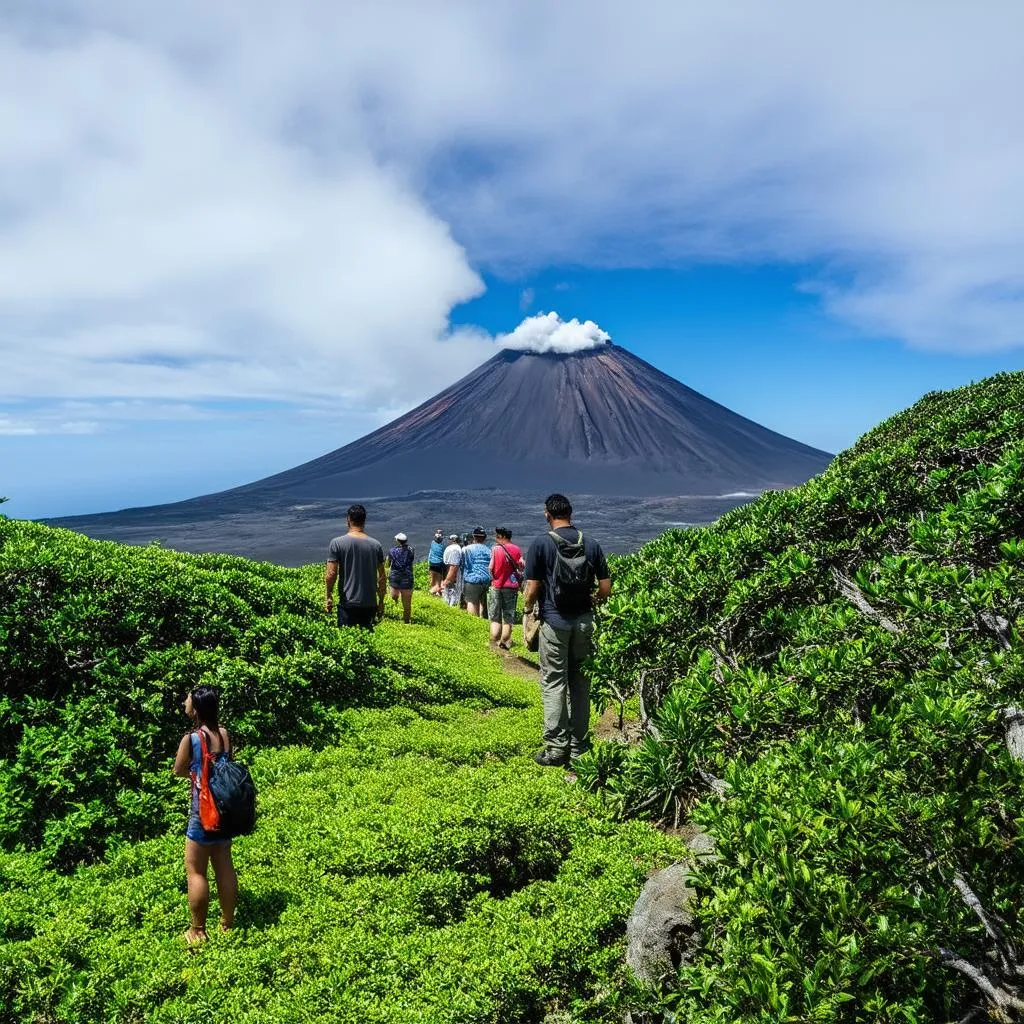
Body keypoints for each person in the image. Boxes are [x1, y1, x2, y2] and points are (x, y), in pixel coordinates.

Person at [523, 494, 611, 767]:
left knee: (553, 683)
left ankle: (556, 748)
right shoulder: (591, 543)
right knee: (581, 683)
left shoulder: (540, 544)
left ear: (547, 514)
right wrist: (592, 600)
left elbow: (533, 588)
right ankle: (579, 747)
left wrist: (528, 612)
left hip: (554, 622)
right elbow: (606, 587)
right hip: (584, 623)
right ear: (570, 513)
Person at [173, 685, 238, 946]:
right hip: (224, 811)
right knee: (224, 866)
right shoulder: (223, 734)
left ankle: (198, 931)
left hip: (202, 812)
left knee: (196, 872)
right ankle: (227, 924)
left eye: (187, 701)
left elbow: (178, 770)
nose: (184, 704)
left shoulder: (192, 739)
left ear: (197, 709)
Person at [324, 504, 386, 629]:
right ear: (364, 520)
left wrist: (328, 595)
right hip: (370, 603)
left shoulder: (337, 543)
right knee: (367, 642)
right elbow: (382, 577)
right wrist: (381, 601)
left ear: (348, 519)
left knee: (347, 641)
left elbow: (331, 574)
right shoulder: (376, 545)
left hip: (348, 603)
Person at [489, 527, 524, 650]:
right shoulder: (516, 549)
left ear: (502, 536)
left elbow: (491, 567)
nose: (495, 539)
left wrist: (494, 579)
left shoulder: (495, 549)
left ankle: (494, 640)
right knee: (508, 615)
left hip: (497, 585)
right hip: (511, 587)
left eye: (497, 536)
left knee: (495, 614)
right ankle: (504, 641)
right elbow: (521, 566)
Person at [461, 527, 492, 618]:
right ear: (485, 538)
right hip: (486, 579)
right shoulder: (489, 550)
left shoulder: (467, 549)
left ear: (474, 537)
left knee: (471, 601)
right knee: (482, 602)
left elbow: (465, 564)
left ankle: (473, 621)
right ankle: (482, 620)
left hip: (472, 579)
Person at [387, 532, 416, 624]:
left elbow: (388, 563)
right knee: (407, 602)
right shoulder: (411, 550)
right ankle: (407, 621)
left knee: (393, 595)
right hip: (407, 576)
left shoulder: (392, 551)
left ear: (397, 541)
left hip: (395, 576)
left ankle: (395, 606)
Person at [441, 533, 464, 607]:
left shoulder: (454, 549)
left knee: (451, 595)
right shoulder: (455, 548)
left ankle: (450, 607)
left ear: (451, 540)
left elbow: (453, 566)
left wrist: (447, 580)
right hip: (449, 574)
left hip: (452, 576)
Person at [427, 529, 446, 595]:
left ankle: (436, 591)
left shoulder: (432, 543)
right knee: (439, 582)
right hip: (439, 564)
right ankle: (432, 592)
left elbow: (430, 553)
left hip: (432, 563)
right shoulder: (443, 546)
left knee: (432, 580)